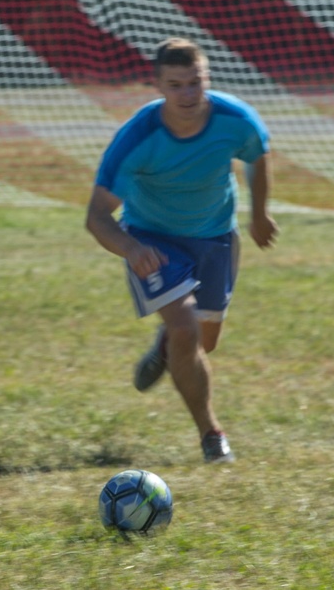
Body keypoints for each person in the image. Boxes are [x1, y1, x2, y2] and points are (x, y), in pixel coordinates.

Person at [85, 37, 277, 464]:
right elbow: (96, 216)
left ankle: (165, 347)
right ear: (158, 86)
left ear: (207, 79)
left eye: (196, 83)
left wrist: (259, 214)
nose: (188, 94)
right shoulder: (136, 137)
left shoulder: (236, 119)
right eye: (176, 85)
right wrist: (132, 249)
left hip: (216, 238)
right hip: (153, 240)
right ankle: (212, 435)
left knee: (202, 342)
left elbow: (257, 157)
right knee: (187, 328)